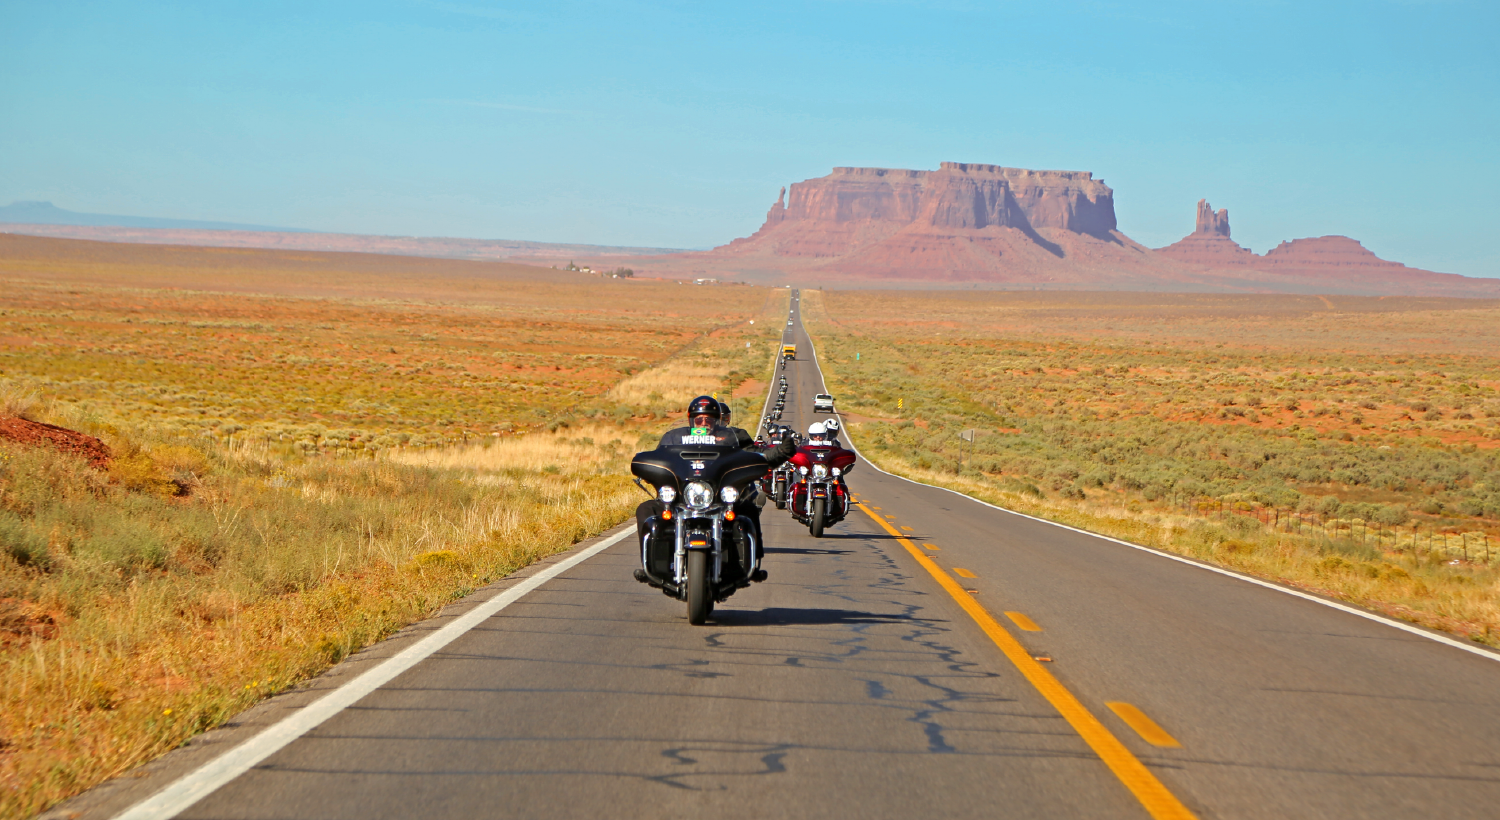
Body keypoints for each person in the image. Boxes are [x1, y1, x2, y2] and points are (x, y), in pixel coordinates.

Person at [634, 395, 796, 567]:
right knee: (645, 509)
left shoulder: (733, 438)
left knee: (748, 509)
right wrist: (647, 465)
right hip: (681, 498)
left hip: (720, 498)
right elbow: (660, 458)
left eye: (709, 420)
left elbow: (758, 455)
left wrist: (782, 451)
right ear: (691, 420)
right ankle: (649, 564)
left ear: (717, 421)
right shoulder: (675, 439)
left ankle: (753, 563)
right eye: (699, 419)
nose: (704, 423)